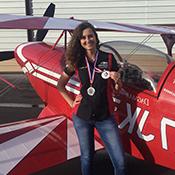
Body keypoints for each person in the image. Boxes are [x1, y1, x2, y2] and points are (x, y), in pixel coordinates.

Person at [57, 21, 126, 175]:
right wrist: (71, 103)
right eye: (83, 38)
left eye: (90, 36)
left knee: (120, 163)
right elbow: (60, 85)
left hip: (105, 117)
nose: (87, 40)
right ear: (79, 41)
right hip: (82, 117)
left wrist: (117, 80)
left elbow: (117, 89)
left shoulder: (108, 58)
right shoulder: (76, 61)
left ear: (96, 37)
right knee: (87, 158)